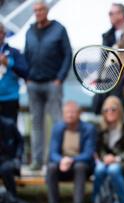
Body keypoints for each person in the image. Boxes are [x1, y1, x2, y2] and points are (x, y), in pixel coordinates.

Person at [25, 0, 72, 171]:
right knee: (36, 124)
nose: (38, 13)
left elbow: (68, 55)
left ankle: (56, 160)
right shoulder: (30, 30)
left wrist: (60, 78)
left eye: (41, 9)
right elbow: (26, 55)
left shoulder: (59, 29)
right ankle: (37, 161)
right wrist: (26, 77)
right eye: (35, 10)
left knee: (57, 123)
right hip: (33, 84)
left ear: (47, 10)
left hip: (53, 83)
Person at [47, 101, 96, 203]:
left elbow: (88, 154)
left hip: (81, 165)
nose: (70, 115)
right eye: (67, 112)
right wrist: (61, 161)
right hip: (62, 165)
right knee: (51, 168)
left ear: (79, 114)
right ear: (63, 114)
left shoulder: (89, 129)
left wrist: (71, 160)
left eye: (73, 112)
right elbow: (53, 152)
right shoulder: (57, 128)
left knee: (80, 166)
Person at [0, 22, 28, 124]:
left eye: (1, 32)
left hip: (10, 97)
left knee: (9, 131)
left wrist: (8, 63)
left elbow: (25, 71)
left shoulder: (13, 52)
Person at [0, 116, 23, 197]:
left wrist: (18, 157)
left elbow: (20, 142)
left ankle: (13, 197)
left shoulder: (9, 124)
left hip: (10, 160)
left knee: (5, 169)